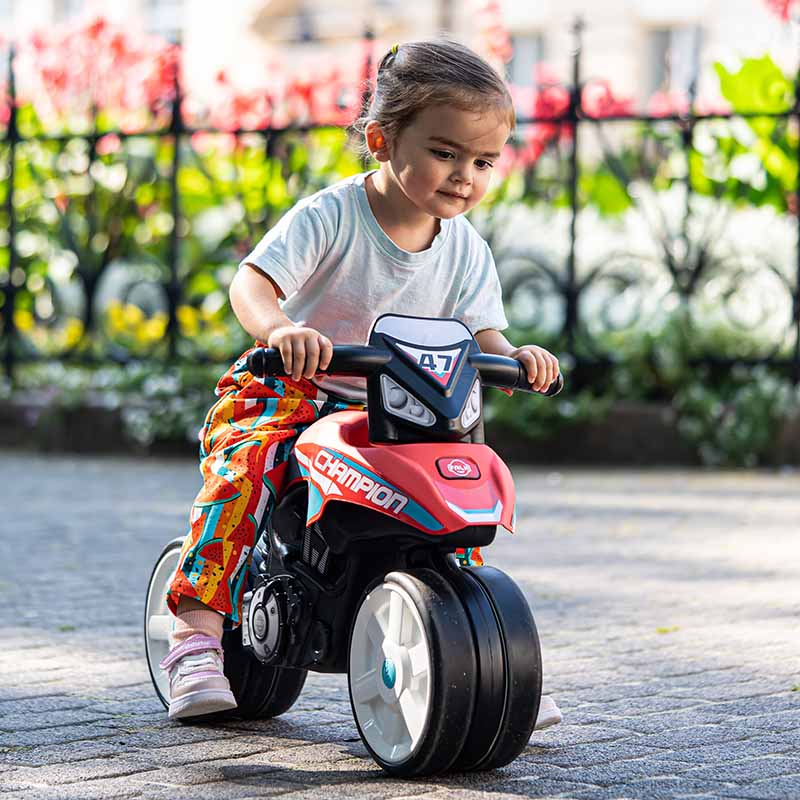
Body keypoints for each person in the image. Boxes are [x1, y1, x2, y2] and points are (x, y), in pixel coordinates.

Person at [160, 39, 563, 731]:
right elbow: (252, 283)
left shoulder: (466, 247)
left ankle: (479, 658)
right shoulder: (333, 216)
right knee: (247, 470)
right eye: (445, 152)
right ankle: (194, 639)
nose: (464, 176)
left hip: (401, 405)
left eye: (483, 162)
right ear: (382, 140)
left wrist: (516, 358)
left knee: (450, 499)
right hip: (293, 388)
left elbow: (483, 334)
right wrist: (281, 330)